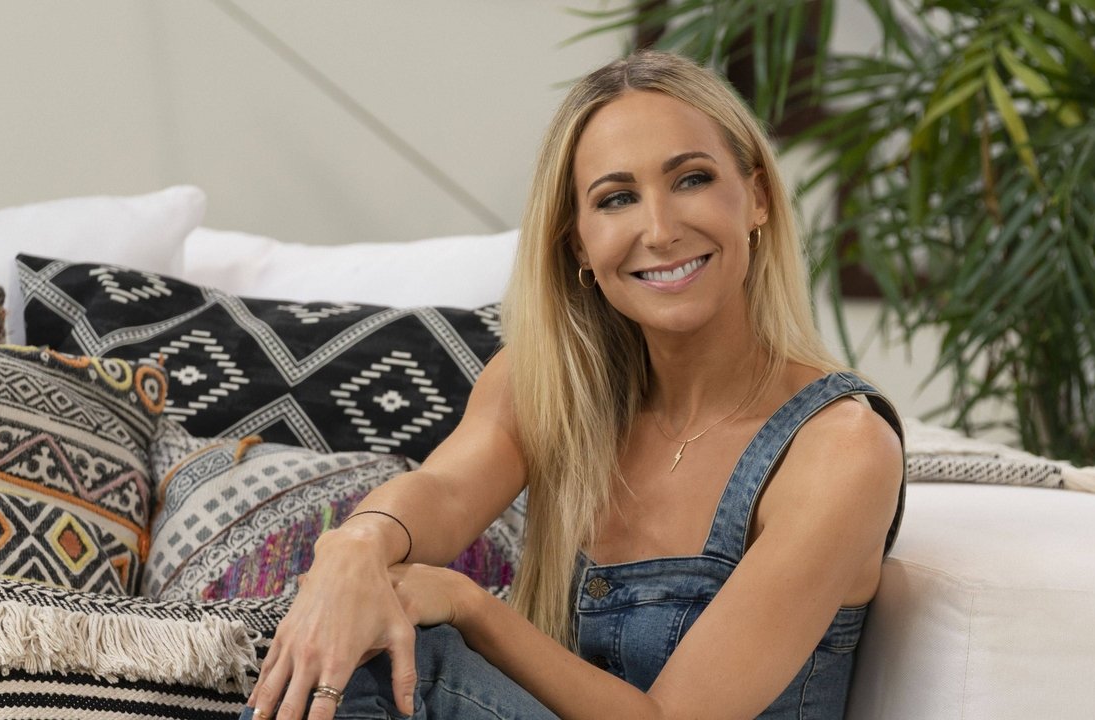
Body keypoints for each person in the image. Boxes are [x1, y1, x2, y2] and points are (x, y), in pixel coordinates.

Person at [242, 50, 905, 720]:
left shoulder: (840, 449)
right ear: (579, 244)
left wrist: (468, 605)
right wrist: (357, 546)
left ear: (756, 198)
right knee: (360, 628)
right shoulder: (552, 388)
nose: (660, 230)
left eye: (691, 180)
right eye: (617, 199)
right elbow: (443, 492)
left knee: (404, 661)